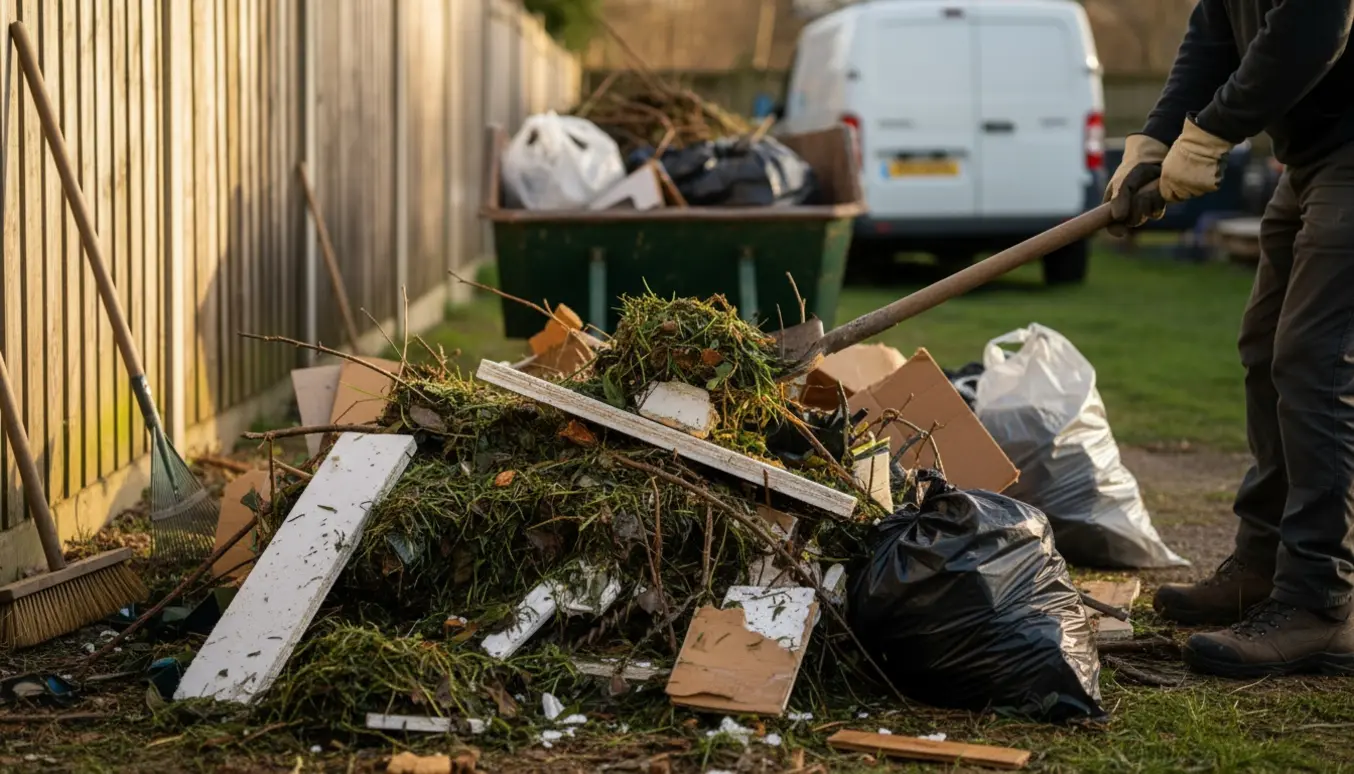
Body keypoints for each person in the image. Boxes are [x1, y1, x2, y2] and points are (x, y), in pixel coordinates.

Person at [1105, 0, 1354, 678]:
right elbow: (1216, 32)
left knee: (1316, 361)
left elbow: (1315, 25)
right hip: (1313, 157)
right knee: (1268, 350)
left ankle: (1319, 606)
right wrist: (1157, 140)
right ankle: (1265, 562)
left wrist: (1212, 133)